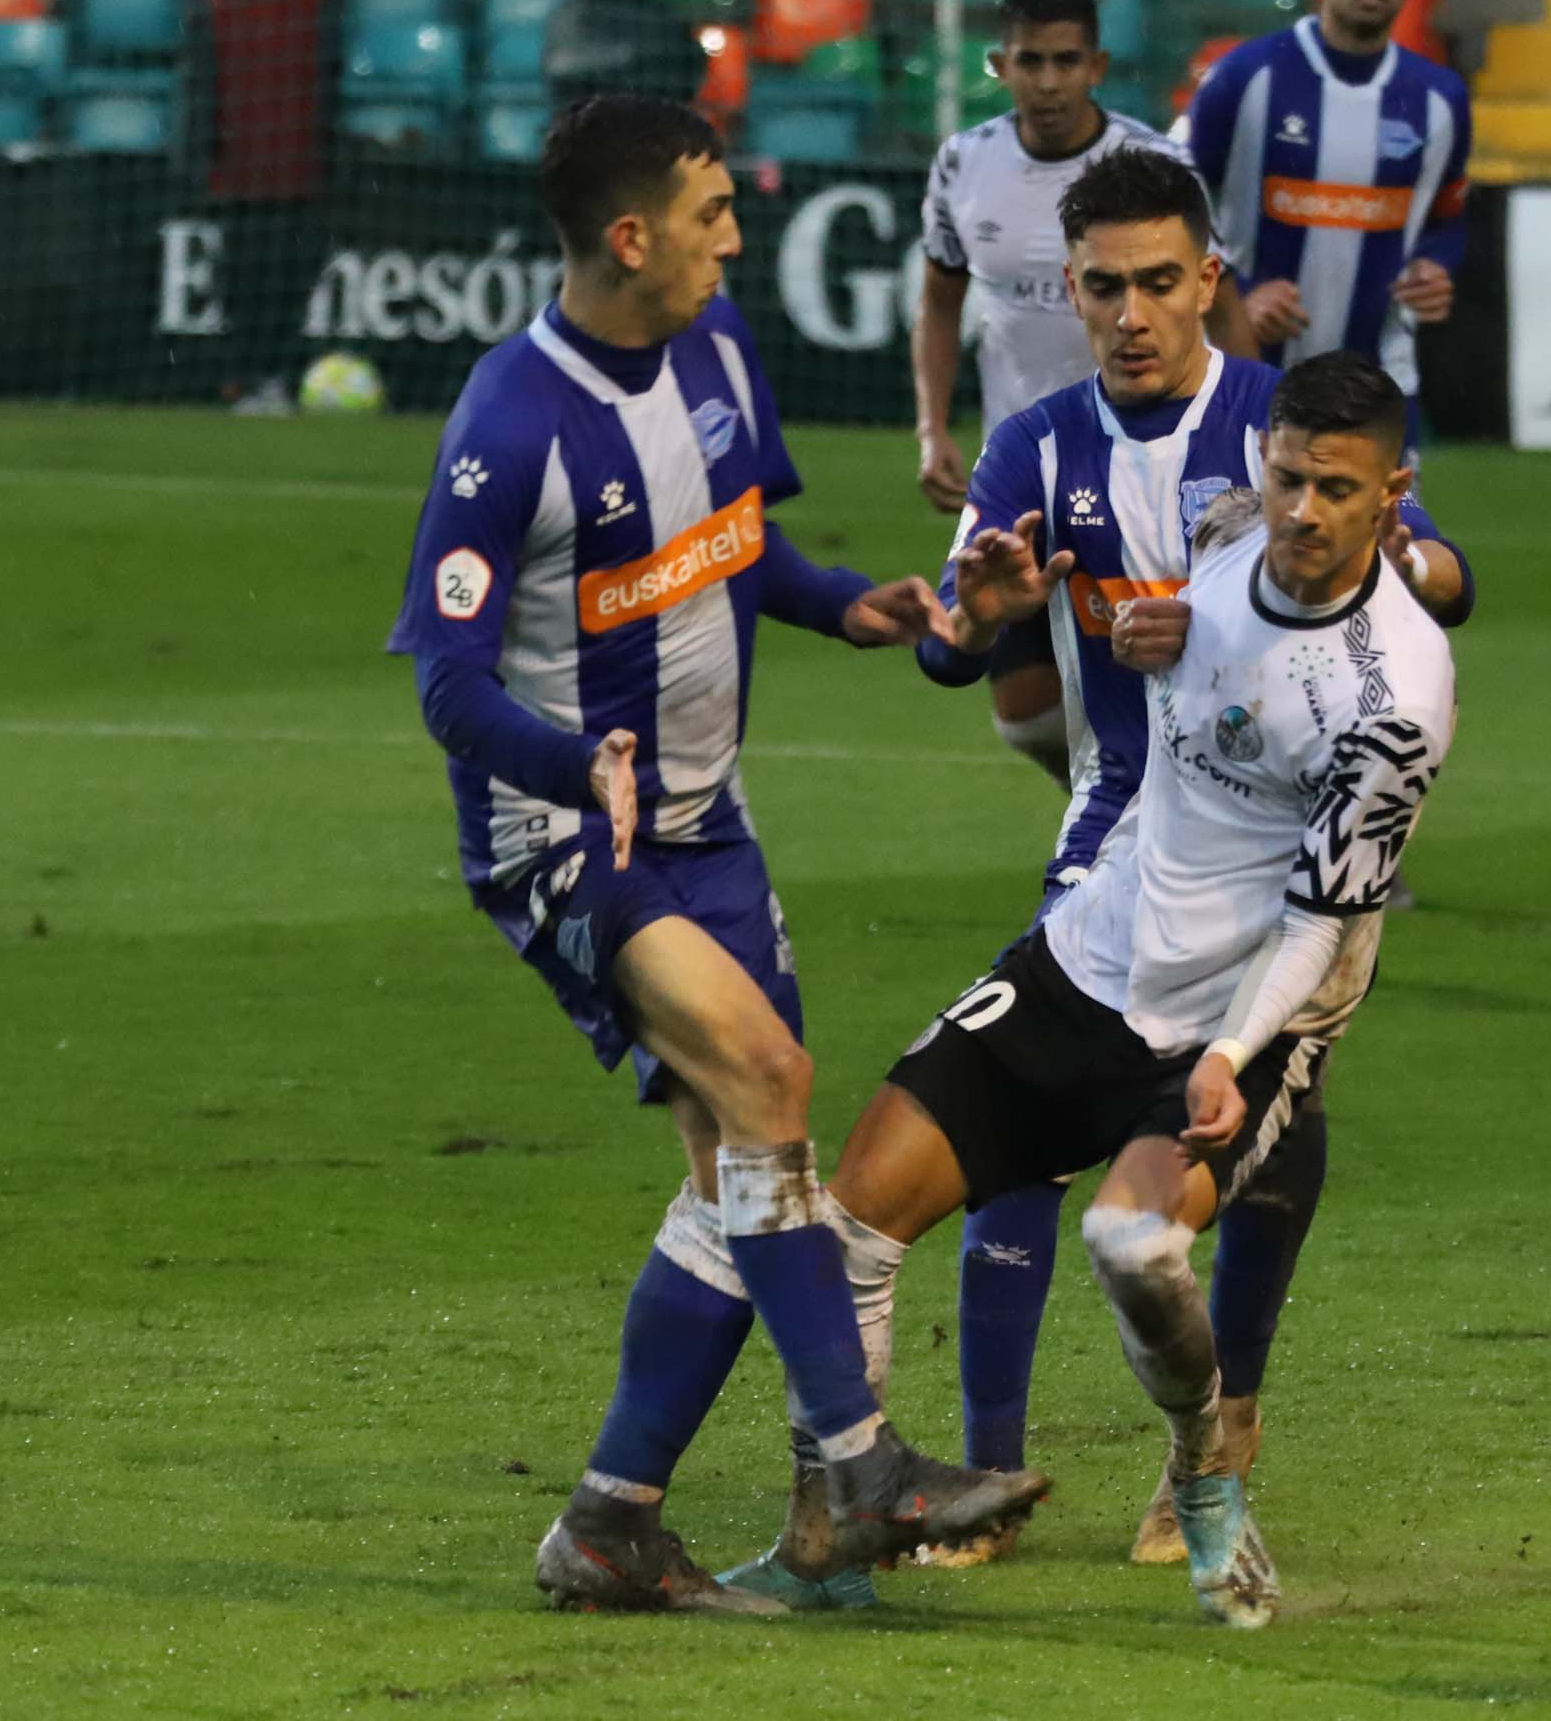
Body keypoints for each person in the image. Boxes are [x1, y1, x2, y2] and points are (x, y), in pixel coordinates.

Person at [386, 95, 1048, 1614]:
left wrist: (847, 608)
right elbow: (446, 681)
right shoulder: (509, 424)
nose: (733, 236)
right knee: (769, 1088)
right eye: (710, 215)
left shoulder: (719, 350)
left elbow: (737, 541)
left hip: (711, 821)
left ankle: (612, 1522)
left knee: (740, 1169)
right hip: (567, 837)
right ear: (631, 238)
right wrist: (579, 764)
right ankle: (861, 1463)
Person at [747, 350, 1457, 1629]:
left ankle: (1204, 1466)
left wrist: (1235, 1052)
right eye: (1288, 474)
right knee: (846, 1216)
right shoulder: (1224, 529)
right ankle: (830, 1528)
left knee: (1130, 1242)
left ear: (1392, 494)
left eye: (1337, 489)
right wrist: (1143, 631)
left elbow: (1323, 920)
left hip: (1248, 1004)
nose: (1301, 510)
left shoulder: (1394, 700)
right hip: (1093, 950)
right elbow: (1179, 632)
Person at [900, 146, 1477, 1577]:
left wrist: (1402, 576)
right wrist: (979, 621)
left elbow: (1440, 568)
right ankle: (987, 1469)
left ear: (1209, 280)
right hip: (1115, 823)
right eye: (1103, 288)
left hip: (1280, 848)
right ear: (1071, 292)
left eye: (1162, 282)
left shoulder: (1283, 427)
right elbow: (941, 647)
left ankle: (1223, 1431)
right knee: (1017, 1134)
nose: (1134, 313)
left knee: (1260, 1115)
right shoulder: (1032, 446)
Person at [914, 0, 1255, 789]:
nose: (1049, 81)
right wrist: (932, 425)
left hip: (1162, 458)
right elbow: (937, 303)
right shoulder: (963, 165)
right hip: (1037, 475)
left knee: (1220, 673)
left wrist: (1260, 407)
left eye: (1067, 61)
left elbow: (1227, 306)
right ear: (999, 65)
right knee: (1025, 708)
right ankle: (1126, 800)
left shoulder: (1158, 167)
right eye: (1030, 61)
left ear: (1096, 62)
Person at [1178, 0, 1471, 459]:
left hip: (1381, 389)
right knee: (1239, 548)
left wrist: (1437, 267)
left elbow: (1446, 218)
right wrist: (1235, 301)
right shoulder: (1245, 78)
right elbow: (1170, 208)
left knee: (1390, 551)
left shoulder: (1440, 100)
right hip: (1247, 383)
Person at [204, 0, 324, 403]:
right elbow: (202, 96)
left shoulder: (310, 16)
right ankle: (244, 376)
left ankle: (278, 376)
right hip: (239, 179)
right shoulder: (214, 17)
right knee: (240, 284)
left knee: (288, 285)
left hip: (297, 177)